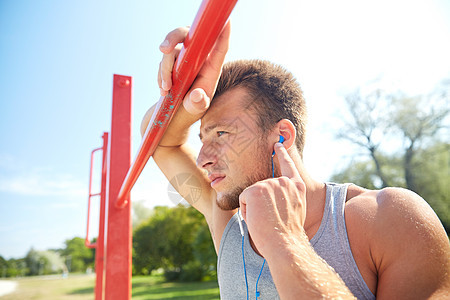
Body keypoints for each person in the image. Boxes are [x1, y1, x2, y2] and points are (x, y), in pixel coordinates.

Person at [141, 23, 450, 299]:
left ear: (281, 137)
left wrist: (285, 241)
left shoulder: (392, 218)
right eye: (203, 139)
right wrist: (189, 95)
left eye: (221, 134)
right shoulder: (226, 219)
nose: (204, 159)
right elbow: (158, 139)